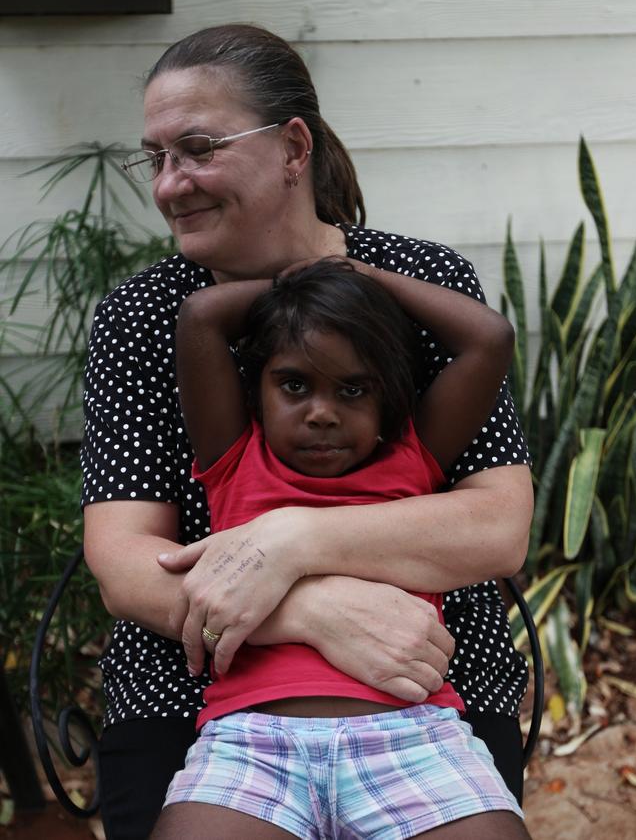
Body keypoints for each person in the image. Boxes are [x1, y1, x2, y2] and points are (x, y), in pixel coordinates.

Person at [81, 24, 533, 840]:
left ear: (294, 147)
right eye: (156, 158)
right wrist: (311, 610)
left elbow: (497, 528)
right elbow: (123, 562)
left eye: (197, 149)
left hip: (423, 670)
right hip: (196, 681)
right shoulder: (144, 317)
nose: (169, 185)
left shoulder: (419, 286)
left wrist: (288, 541)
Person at [147, 257, 527, 838]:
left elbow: (490, 337)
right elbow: (201, 315)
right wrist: (301, 286)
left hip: (414, 737)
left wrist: (361, 276)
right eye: (294, 385)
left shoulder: (412, 460)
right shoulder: (234, 460)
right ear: (258, 391)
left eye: (353, 390)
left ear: (385, 404)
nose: (322, 413)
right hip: (251, 743)